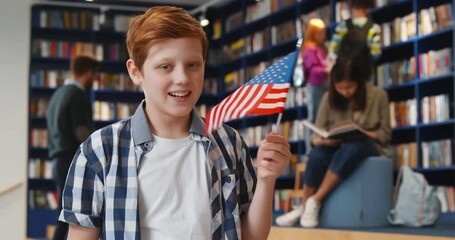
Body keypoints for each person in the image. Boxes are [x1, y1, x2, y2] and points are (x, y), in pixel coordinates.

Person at [58, 6, 292, 240]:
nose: (182, 79)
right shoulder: (100, 151)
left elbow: (253, 237)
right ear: (136, 71)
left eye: (193, 65)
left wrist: (266, 179)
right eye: (165, 67)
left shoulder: (229, 142)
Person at [276, 47, 391, 228]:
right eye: (340, 87)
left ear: (359, 82)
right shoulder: (329, 98)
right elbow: (314, 137)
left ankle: (314, 201)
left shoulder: (378, 96)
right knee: (317, 154)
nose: (345, 92)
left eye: (350, 87)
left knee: (354, 145)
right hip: (336, 146)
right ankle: (306, 206)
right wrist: (323, 140)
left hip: (367, 146)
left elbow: (385, 135)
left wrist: (362, 132)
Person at [46, 55, 100, 240]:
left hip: (57, 160)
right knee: (71, 213)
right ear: (88, 73)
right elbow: (81, 132)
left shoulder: (58, 94)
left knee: (63, 210)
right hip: (71, 159)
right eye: (94, 75)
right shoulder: (77, 95)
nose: (94, 80)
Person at [326, 0, 381, 71]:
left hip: (345, 71)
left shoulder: (342, 26)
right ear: (368, 10)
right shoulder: (373, 28)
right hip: (365, 71)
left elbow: (333, 50)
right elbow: (376, 53)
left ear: (351, 8)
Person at [301, 18, 329, 153]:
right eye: (320, 33)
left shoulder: (320, 49)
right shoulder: (309, 49)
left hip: (323, 85)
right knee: (313, 118)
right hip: (315, 85)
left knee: (322, 117)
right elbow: (313, 70)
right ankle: (309, 150)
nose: (323, 36)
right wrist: (327, 69)